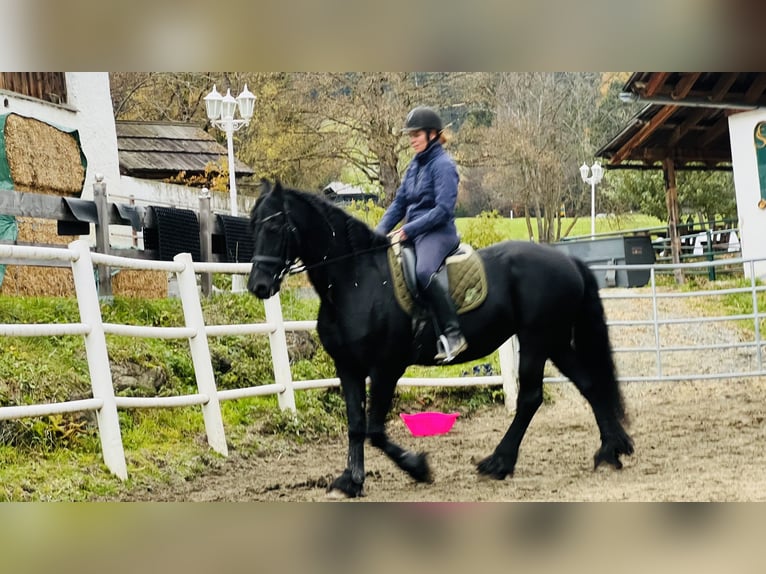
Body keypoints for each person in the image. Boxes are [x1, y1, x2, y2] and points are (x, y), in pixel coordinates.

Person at [376, 106, 467, 363]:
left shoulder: (443, 166)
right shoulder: (414, 166)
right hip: (415, 232)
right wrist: (377, 233)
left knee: (424, 271)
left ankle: (453, 333)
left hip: (439, 233)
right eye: (410, 135)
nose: (412, 139)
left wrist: (408, 229)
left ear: (432, 135)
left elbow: (443, 210)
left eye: (416, 134)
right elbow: (399, 204)